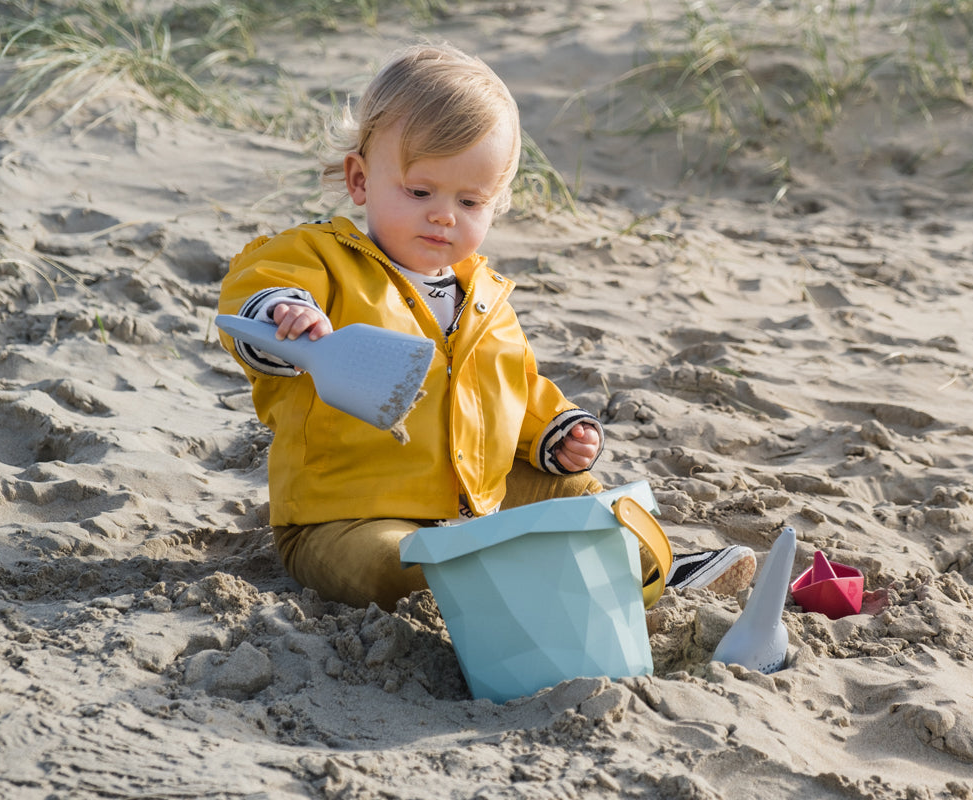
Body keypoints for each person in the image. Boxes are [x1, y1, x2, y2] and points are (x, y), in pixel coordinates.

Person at [218, 43, 755, 611]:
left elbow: (508, 390)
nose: (444, 214)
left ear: (495, 204)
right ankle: (536, 585)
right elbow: (253, 292)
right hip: (345, 514)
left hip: (472, 496)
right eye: (420, 191)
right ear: (360, 180)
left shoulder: (484, 299)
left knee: (592, 502)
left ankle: (649, 572)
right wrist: (283, 311)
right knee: (399, 567)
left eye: (470, 200)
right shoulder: (320, 259)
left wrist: (555, 430)